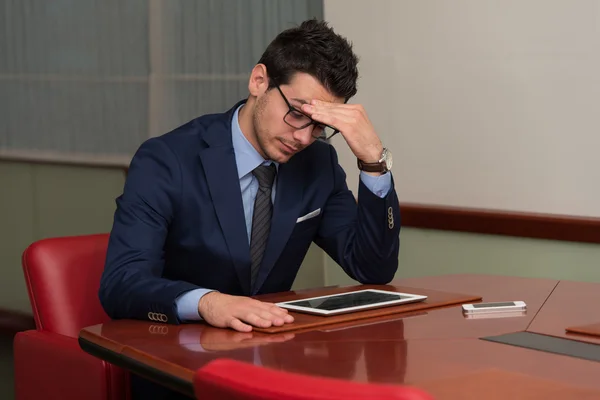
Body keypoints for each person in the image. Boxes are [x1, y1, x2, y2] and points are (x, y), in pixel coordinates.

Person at [99, 18, 400, 399]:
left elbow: (373, 268)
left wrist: (373, 160)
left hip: (271, 368)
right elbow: (120, 283)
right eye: (297, 113)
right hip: (177, 370)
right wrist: (206, 302)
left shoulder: (318, 165)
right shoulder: (167, 160)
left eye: (321, 126)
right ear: (259, 81)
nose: (304, 137)